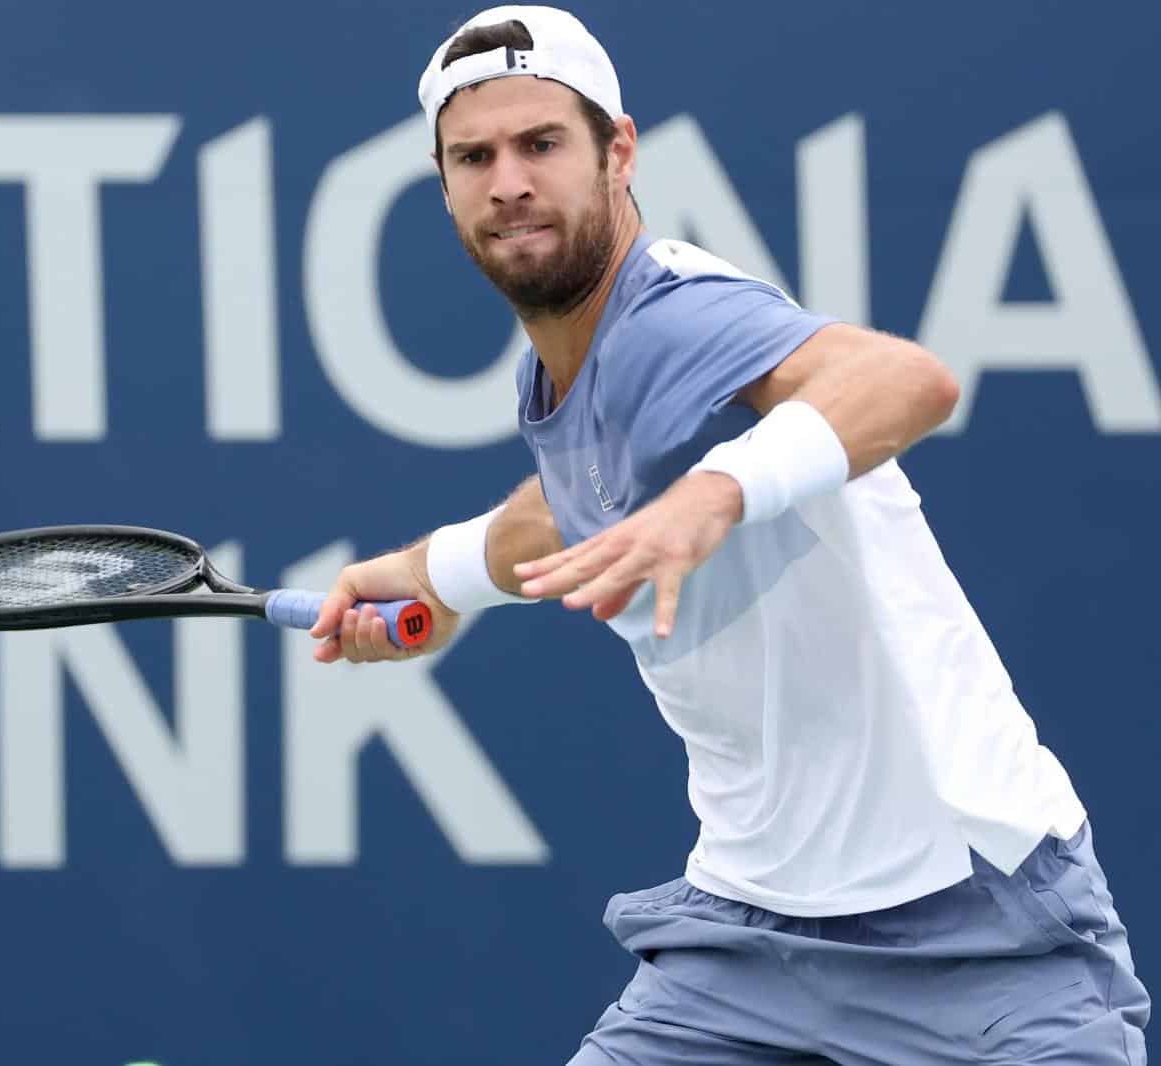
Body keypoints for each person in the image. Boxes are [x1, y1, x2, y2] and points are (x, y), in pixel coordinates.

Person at [308, 6, 1150, 1063]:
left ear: (618, 151)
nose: (508, 181)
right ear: (442, 183)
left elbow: (905, 380)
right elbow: (574, 504)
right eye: (473, 157)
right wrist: (431, 579)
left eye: (542, 144)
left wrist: (715, 493)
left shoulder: (675, 311)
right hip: (747, 944)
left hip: (975, 931)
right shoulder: (570, 363)